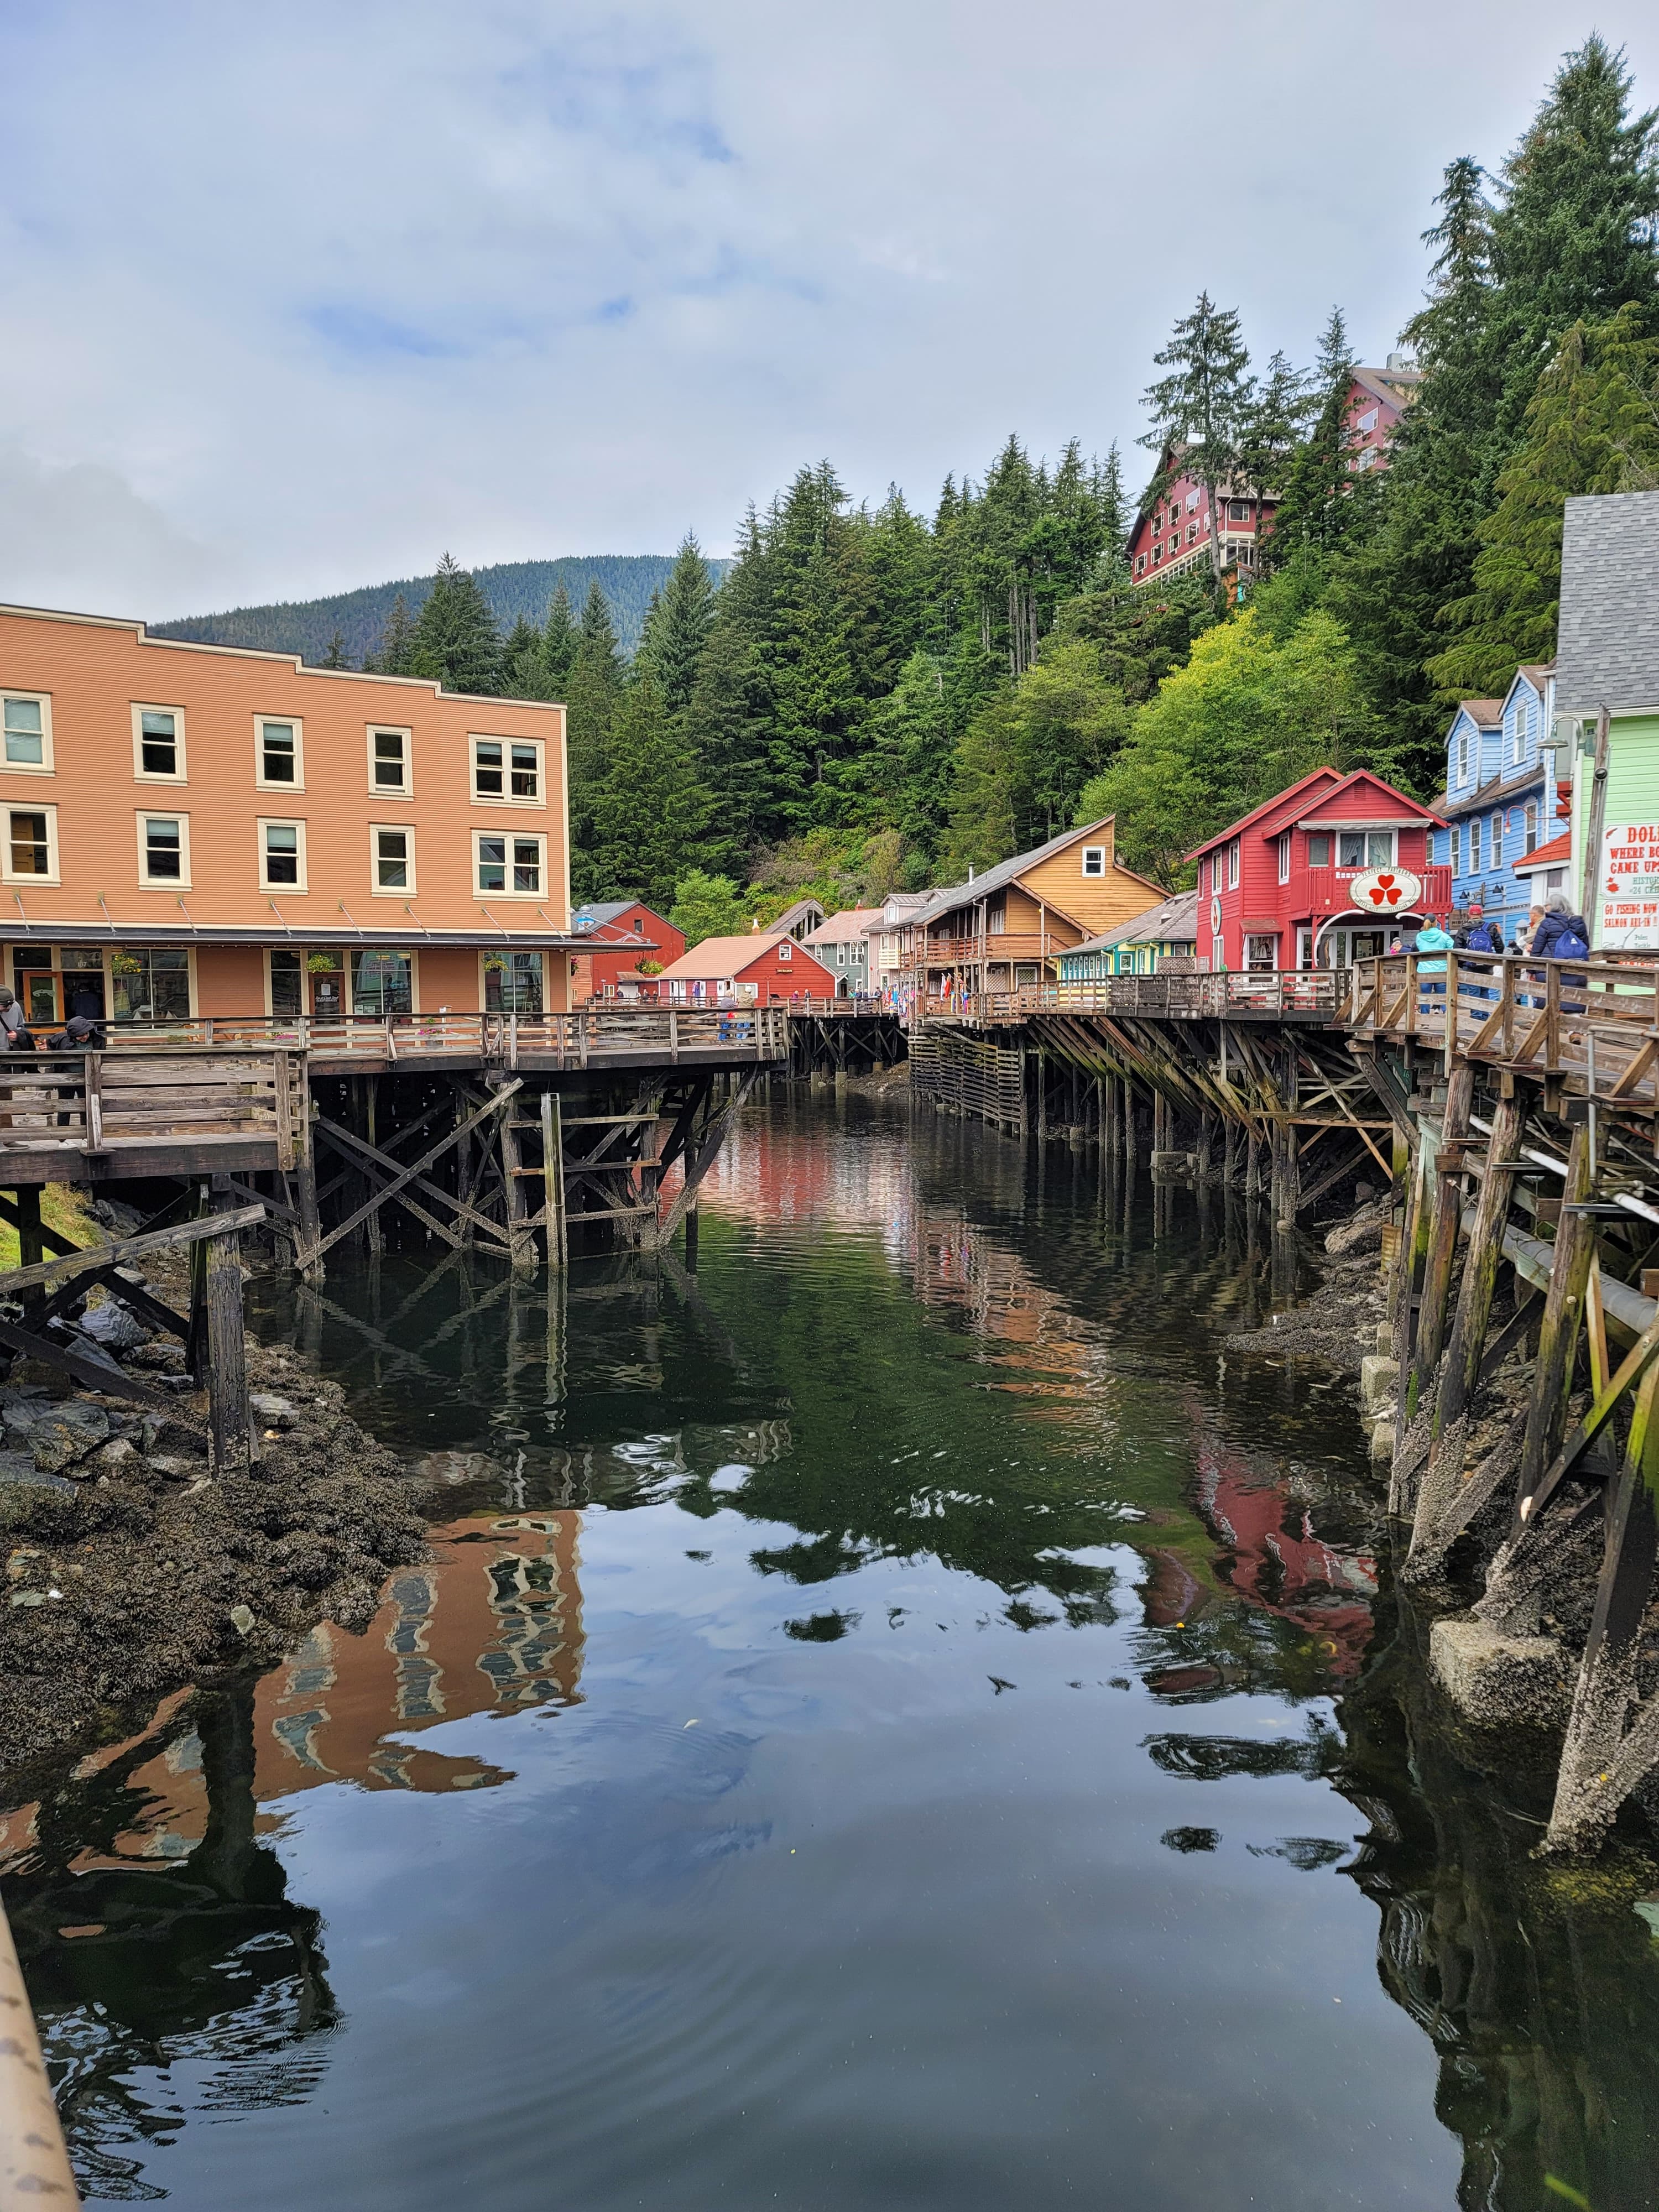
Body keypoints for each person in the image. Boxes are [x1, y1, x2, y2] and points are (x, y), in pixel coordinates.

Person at [1414, 917, 1456, 1027]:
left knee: (1425, 995)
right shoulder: (1443, 936)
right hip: (1441, 969)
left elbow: (1417, 947)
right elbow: (1452, 946)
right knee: (1442, 995)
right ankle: (1448, 1020)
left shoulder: (1420, 936)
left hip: (1425, 970)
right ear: (1436, 923)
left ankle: (1425, 1022)